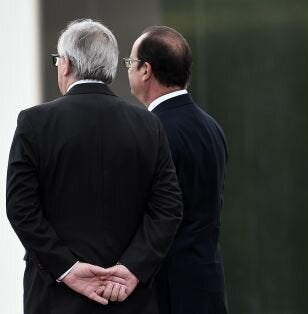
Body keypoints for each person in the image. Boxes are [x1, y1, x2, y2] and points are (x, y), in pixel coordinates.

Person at [5, 19, 183, 313]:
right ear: (110, 69)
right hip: (128, 299)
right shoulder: (148, 124)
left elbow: (21, 208)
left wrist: (67, 269)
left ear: (66, 65)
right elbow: (168, 208)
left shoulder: (34, 123)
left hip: (55, 296)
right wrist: (132, 268)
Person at [126, 26, 229, 314]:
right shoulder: (212, 127)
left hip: (167, 289)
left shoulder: (152, 130)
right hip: (208, 282)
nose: (128, 71)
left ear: (146, 70)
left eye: (129, 63)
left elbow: (149, 214)